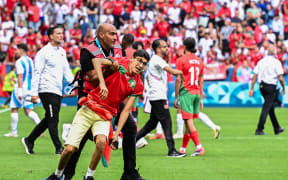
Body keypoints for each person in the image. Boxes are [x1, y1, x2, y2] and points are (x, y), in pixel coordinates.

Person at [44, 49, 149, 180]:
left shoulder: (137, 84)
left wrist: (116, 135)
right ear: (132, 58)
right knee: (71, 147)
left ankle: (89, 176)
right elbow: (96, 61)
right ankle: (60, 174)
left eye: (144, 64)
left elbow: (126, 110)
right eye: (139, 61)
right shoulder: (118, 62)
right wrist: (102, 84)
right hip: (90, 104)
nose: (140, 65)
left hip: (106, 114)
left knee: (101, 141)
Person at [62, 24, 145, 180]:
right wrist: (110, 68)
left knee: (130, 128)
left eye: (116, 34)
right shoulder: (88, 51)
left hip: (111, 100)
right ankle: (67, 173)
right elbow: (93, 79)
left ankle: (129, 172)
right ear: (100, 35)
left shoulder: (117, 50)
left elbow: (125, 67)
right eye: (111, 34)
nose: (115, 37)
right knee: (82, 137)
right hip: (90, 97)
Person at [21, 25, 74, 154]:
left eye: (62, 33)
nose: (61, 35)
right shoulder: (43, 52)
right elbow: (37, 73)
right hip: (46, 89)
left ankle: (29, 140)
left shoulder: (62, 52)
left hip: (57, 90)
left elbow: (67, 72)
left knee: (49, 118)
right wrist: (34, 93)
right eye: (58, 33)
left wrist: (75, 84)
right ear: (51, 36)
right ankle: (58, 147)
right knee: (53, 119)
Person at [136, 39, 185, 157]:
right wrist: (185, 72)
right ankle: (172, 150)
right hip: (158, 96)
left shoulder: (155, 60)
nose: (166, 48)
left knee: (152, 124)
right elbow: (172, 71)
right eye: (164, 47)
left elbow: (148, 77)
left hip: (156, 95)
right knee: (167, 122)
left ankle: (131, 141)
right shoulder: (157, 60)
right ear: (157, 49)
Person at [174, 37, 205, 156]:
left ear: (184, 47)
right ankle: (183, 149)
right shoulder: (199, 60)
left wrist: (176, 97)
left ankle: (199, 146)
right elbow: (201, 80)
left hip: (187, 92)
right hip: (197, 93)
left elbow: (178, 79)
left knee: (189, 121)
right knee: (188, 122)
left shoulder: (181, 60)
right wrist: (201, 97)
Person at [4, 44, 41, 137]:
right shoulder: (30, 61)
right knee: (28, 110)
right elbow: (30, 76)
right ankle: (40, 127)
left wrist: (19, 90)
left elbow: (20, 76)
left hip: (20, 88)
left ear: (20, 50)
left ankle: (13, 132)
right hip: (29, 88)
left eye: (16, 50)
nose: (15, 51)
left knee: (14, 108)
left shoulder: (19, 61)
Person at [249, 45, 285, 135]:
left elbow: (254, 75)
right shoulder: (276, 62)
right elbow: (280, 77)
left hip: (262, 86)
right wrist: (283, 88)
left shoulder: (261, 62)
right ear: (275, 53)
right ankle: (259, 129)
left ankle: (277, 128)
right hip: (271, 86)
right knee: (266, 107)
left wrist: (252, 88)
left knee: (270, 107)